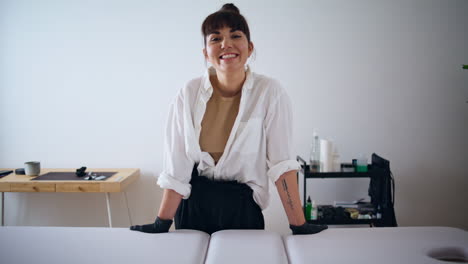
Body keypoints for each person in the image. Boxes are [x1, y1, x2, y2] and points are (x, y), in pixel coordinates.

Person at [130, 3, 327, 235]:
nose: (226, 44)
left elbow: (281, 165)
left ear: (250, 47)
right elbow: (177, 166)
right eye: (215, 39)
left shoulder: (270, 92)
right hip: (194, 208)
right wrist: (161, 223)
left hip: (242, 209)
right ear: (205, 52)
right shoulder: (188, 93)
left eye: (235, 35)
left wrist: (298, 225)